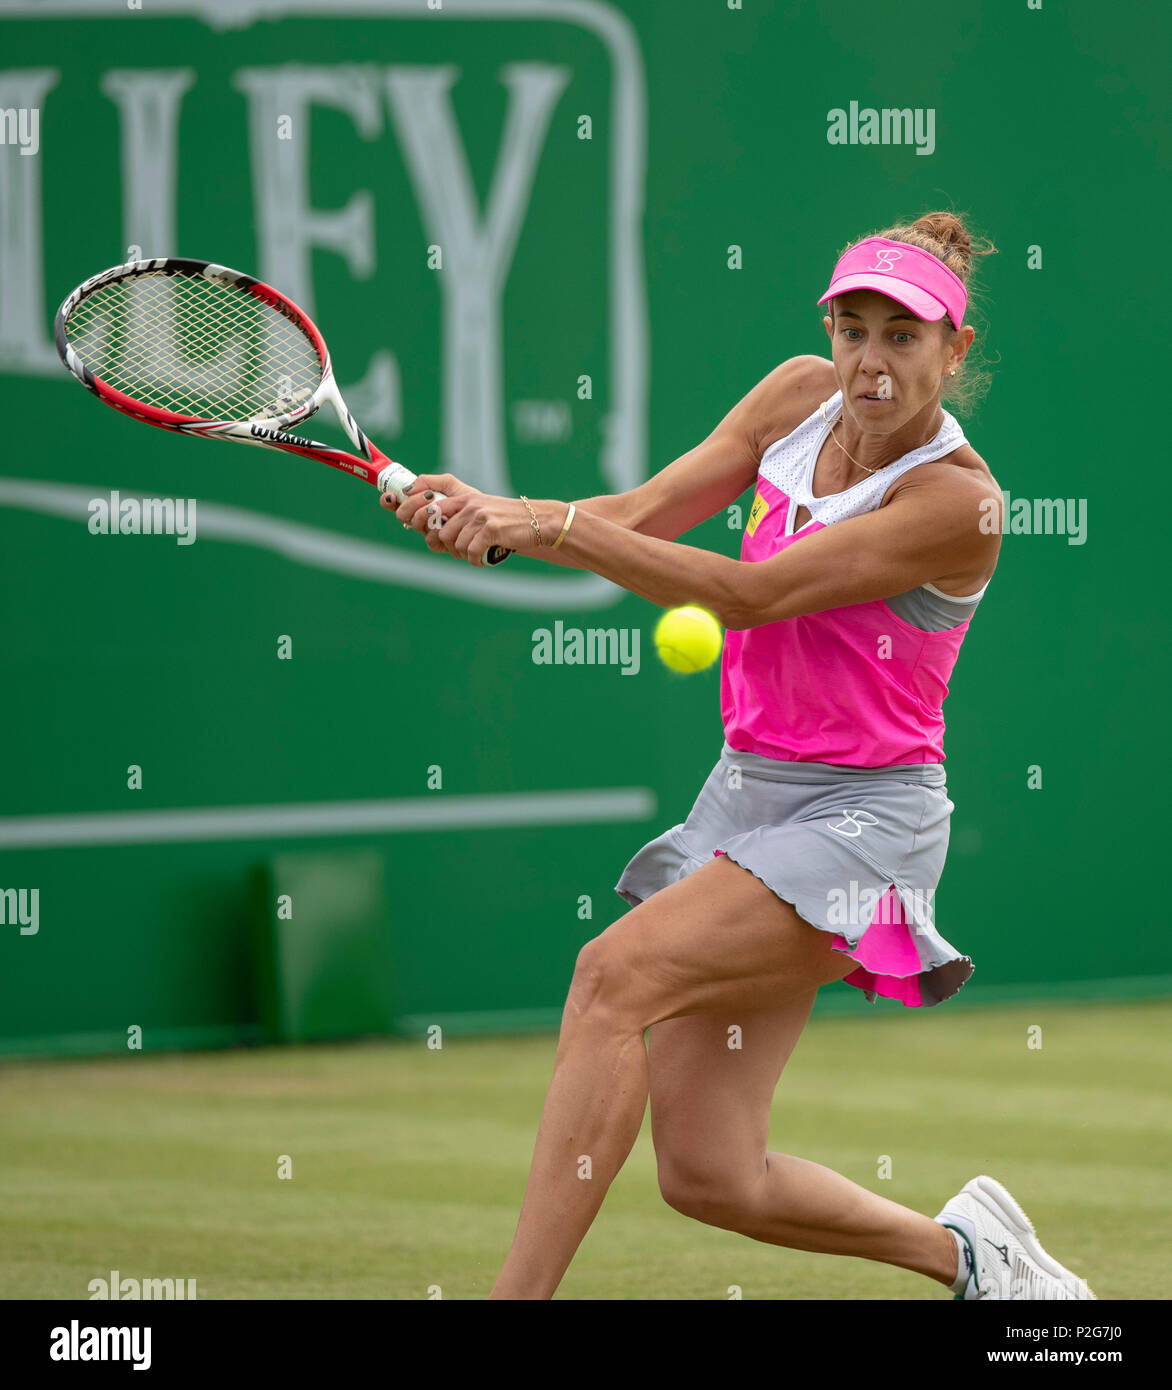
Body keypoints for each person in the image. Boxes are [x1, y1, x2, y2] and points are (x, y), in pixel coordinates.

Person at [384, 212, 1095, 1302]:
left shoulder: (958, 503)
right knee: (710, 1175)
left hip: (862, 820)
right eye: (852, 328)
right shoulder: (788, 397)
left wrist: (531, 520)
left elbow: (746, 592)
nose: (869, 359)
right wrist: (483, 512)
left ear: (953, 354)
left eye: (903, 338)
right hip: (747, 794)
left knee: (608, 978)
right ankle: (973, 1260)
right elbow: (633, 515)